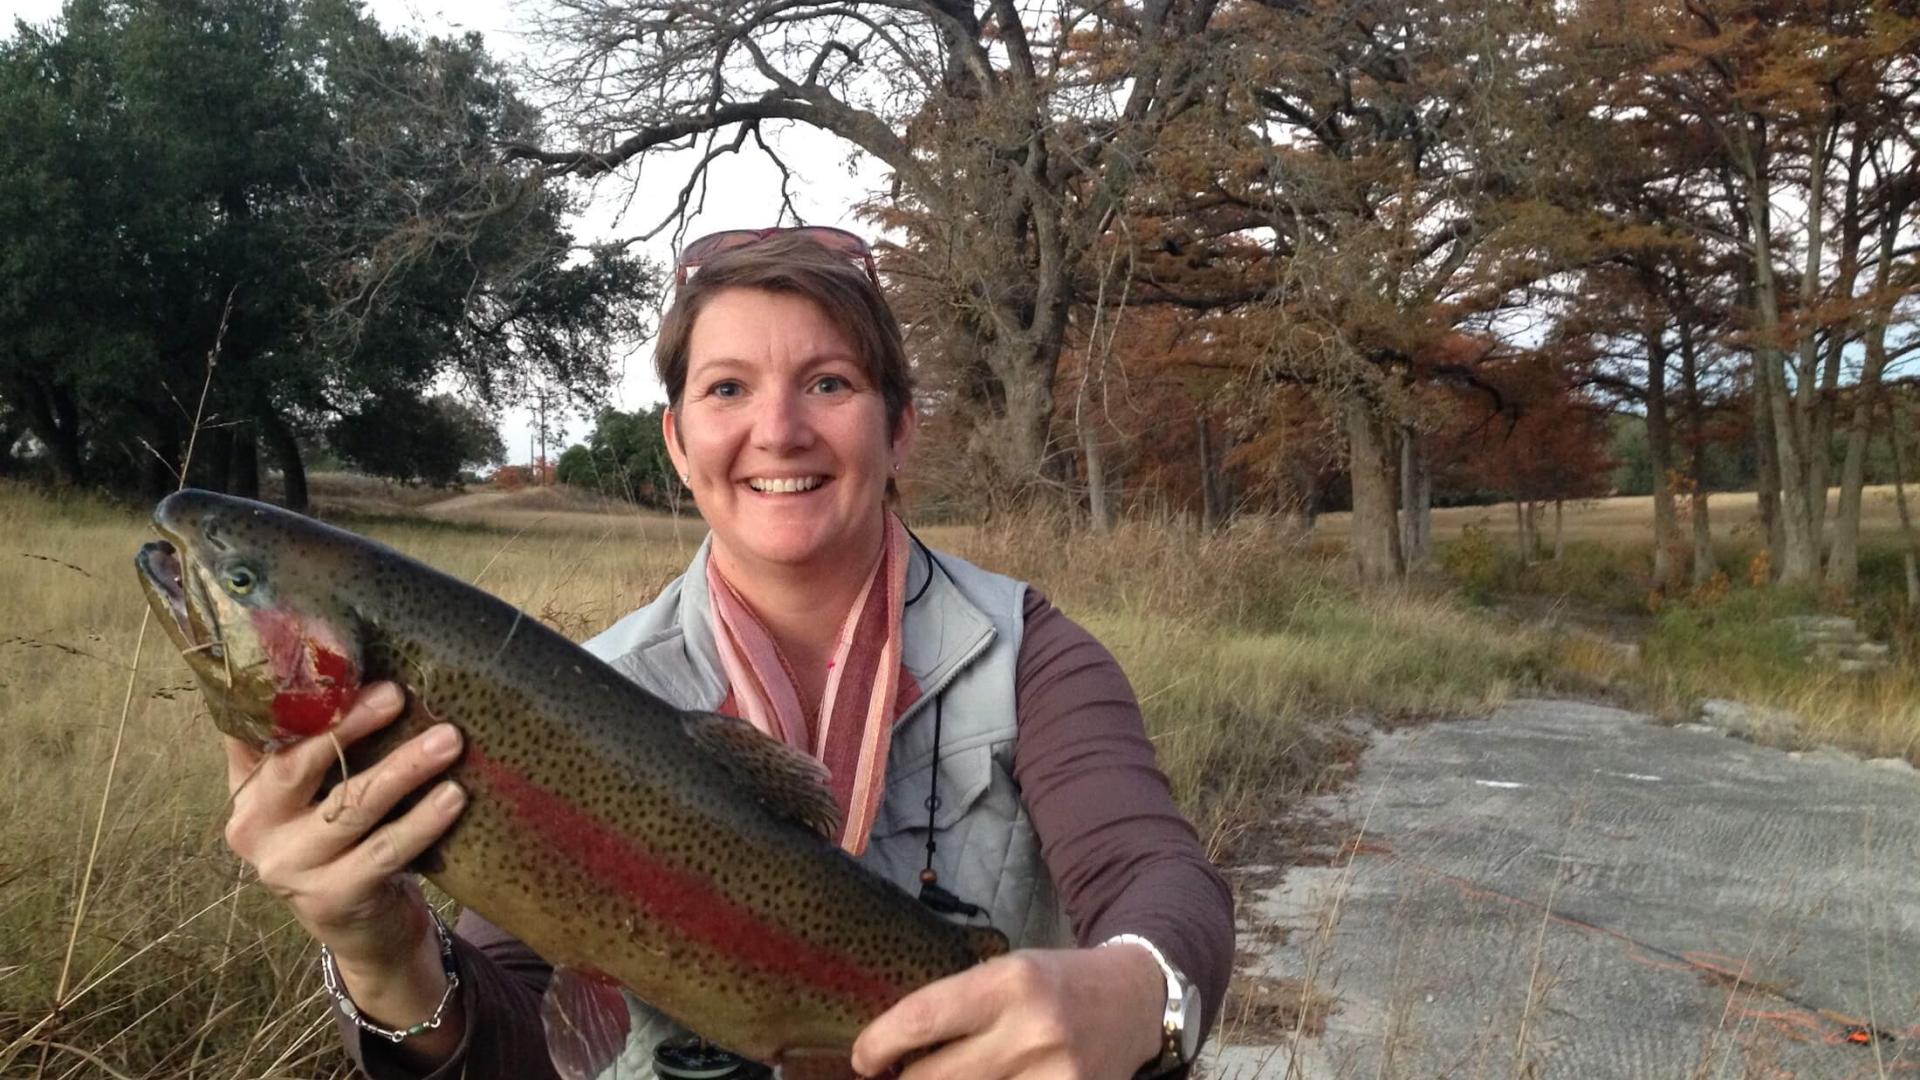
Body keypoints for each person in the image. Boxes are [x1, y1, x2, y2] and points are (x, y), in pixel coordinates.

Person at [220, 228, 1234, 1080]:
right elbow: (518, 1046)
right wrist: (382, 952)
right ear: (676, 440)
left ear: (901, 429)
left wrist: (1142, 989)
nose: (778, 430)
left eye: (828, 382)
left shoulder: (1030, 652)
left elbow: (1156, 872)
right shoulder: (582, 694)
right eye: (727, 389)